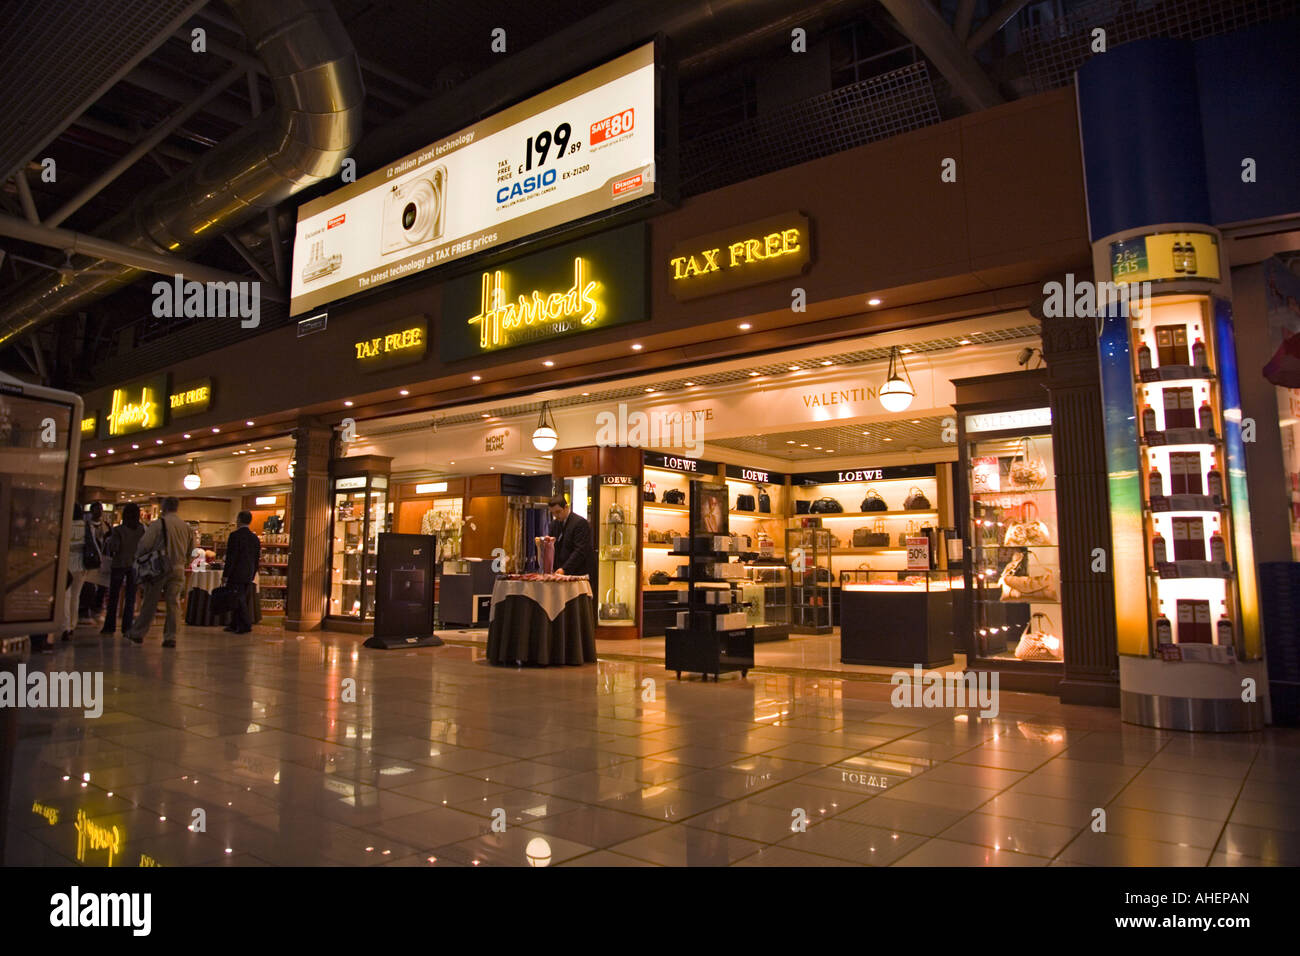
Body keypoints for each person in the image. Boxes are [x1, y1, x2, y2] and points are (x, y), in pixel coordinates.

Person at [125, 496, 195, 648]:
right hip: (178, 568)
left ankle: (138, 633)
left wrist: (138, 557)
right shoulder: (186, 526)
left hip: (159, 567)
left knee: (150, 601)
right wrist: (185, 561)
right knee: (174, 602)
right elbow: (191, 550)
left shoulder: (159, 524)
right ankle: (171, 636)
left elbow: (145, 544)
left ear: (163, 507)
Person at [101, 503, 144, 636]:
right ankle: (127, 627)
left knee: (114, 597)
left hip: (119, 564)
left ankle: (109, 626)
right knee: (130, 598)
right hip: (135, 565)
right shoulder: (141, 529)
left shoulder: (118, 530)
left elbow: (114, 548)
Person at [222, 511, 261, 634]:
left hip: (236, 572)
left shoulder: (234, 536)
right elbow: (256, 557)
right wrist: (254, 572)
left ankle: (245, 624)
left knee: (238, 598)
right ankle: (234, 624)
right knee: (240, 596)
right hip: (248, 572)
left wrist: (226, 575)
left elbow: (231, 557)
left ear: (239, 519)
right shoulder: (254, 538)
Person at [548, 494, 597, 583]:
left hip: (579, 573)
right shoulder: (554, 525)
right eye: (553, 513)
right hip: (560, 574)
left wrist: (565, 569)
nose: (556, 515)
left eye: (558, 512)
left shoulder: (580, 523)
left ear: (566, 507)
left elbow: (580, 550)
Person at [62, 503, 88, 641]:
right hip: (81, 565)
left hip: (66, 565)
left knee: (66, 596)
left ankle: (65, 626)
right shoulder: (86, 527)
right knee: (76, 596)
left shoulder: (65, 526)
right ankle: (73, 624)